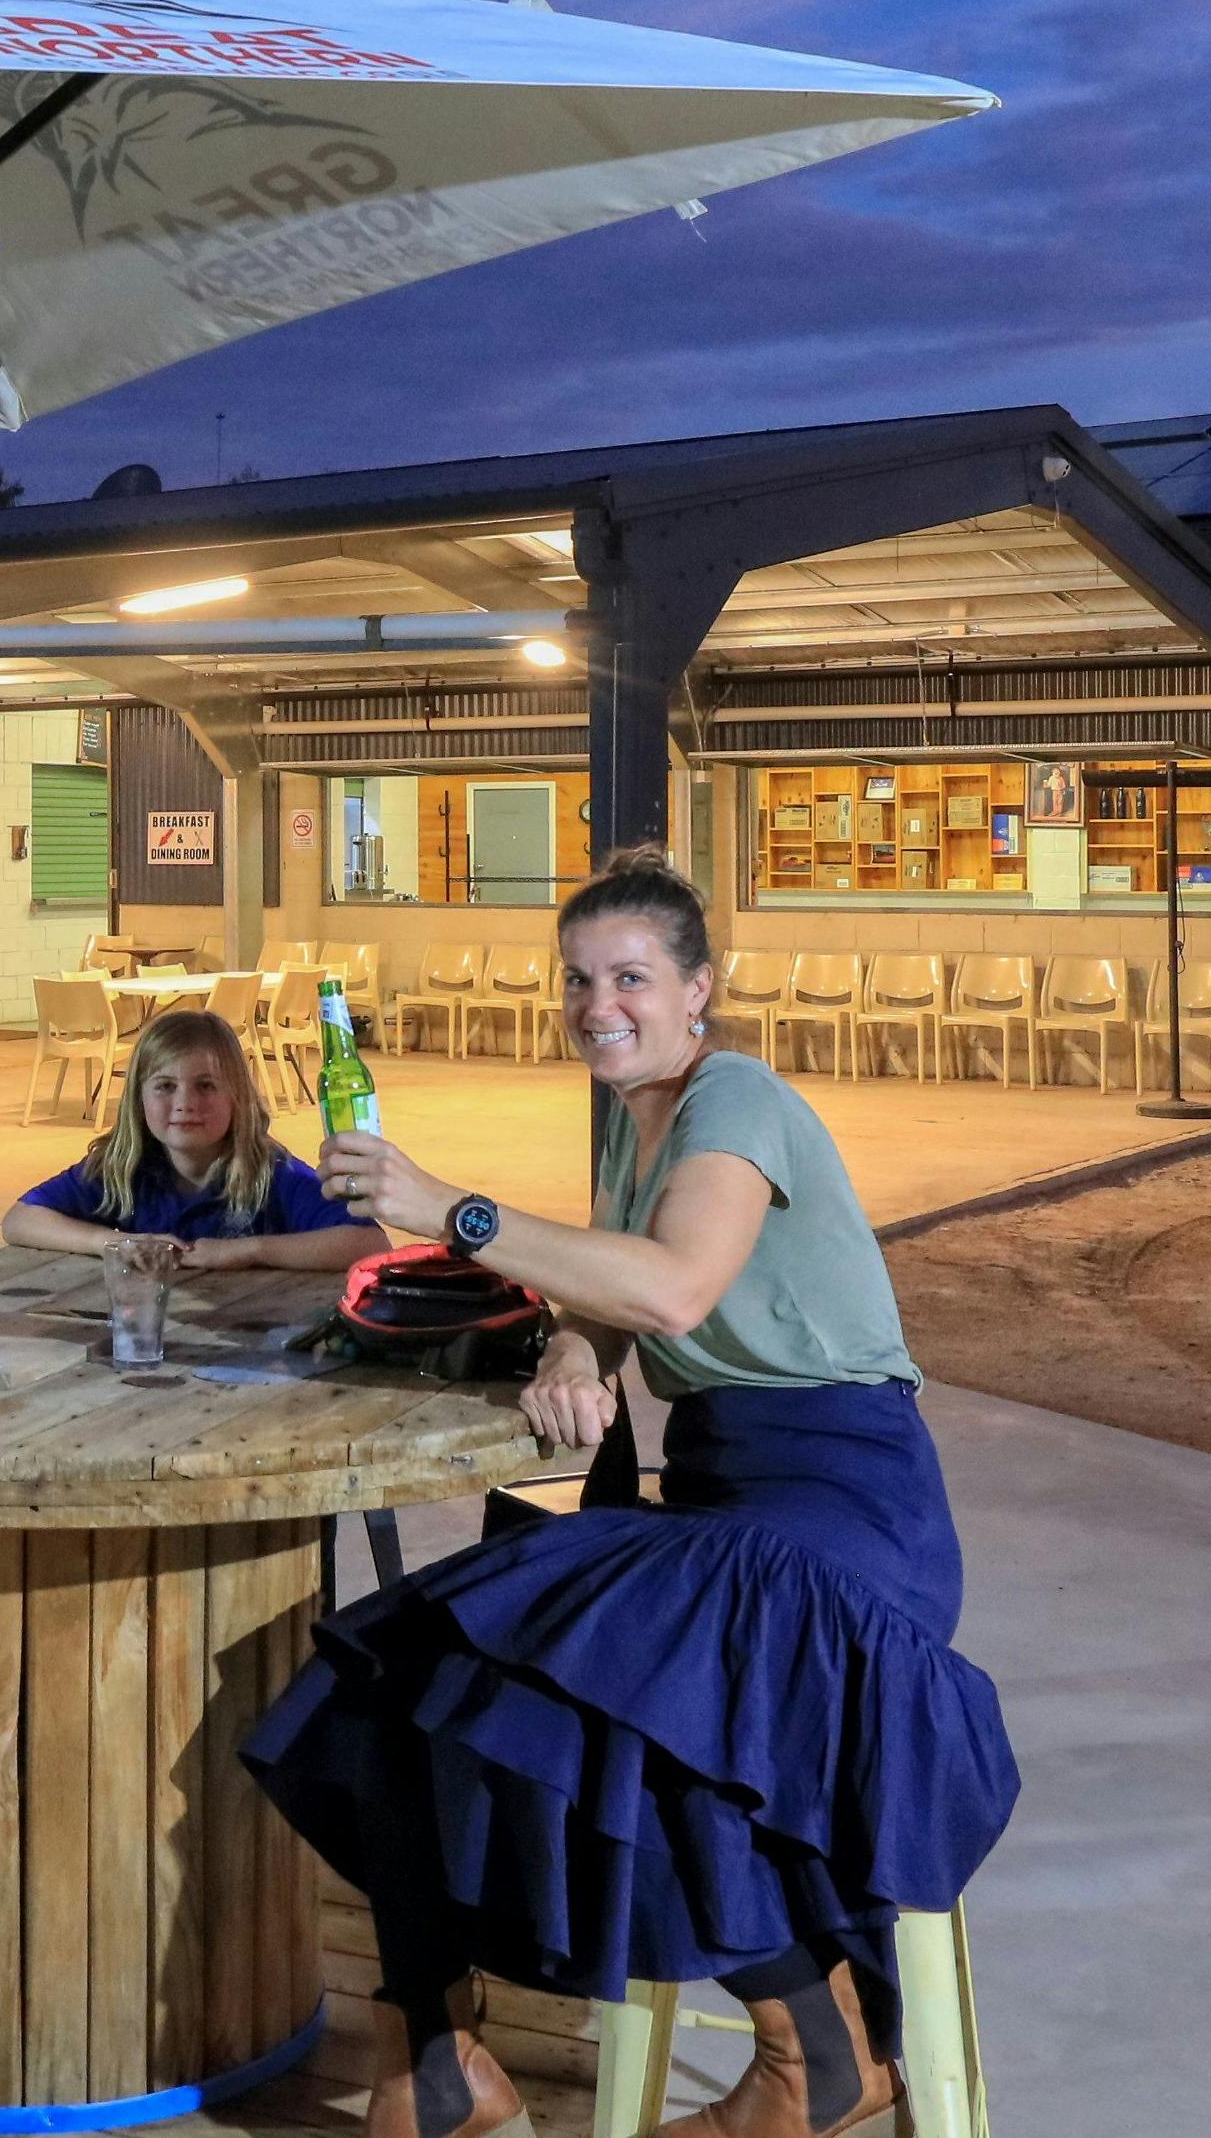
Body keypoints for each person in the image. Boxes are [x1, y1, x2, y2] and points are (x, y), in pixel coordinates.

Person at [248, 855, 1017, 2138]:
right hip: (720, 1488)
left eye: (630, 978)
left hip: (843, 1505)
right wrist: (570, 1345)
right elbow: (615, 1293)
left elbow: (672, 1289)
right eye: (579, 980)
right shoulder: (628, 1111)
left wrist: (453, 1206)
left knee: (623, 1691)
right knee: (404, 1664)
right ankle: (437, 2057)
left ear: (697, 989)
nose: (597, 1004)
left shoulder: (737, 1099)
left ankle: (809, 2052)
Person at [0, 1005, 386, 1277]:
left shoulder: (271, 1173)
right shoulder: (122, 1169)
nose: (185, 1104)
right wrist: (121, 1243)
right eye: (165, 1086)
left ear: (238, 1096)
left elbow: (369, 1244)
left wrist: (248, 1251)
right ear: (138, 1098)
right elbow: (20, 1220)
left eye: (206, 1086)